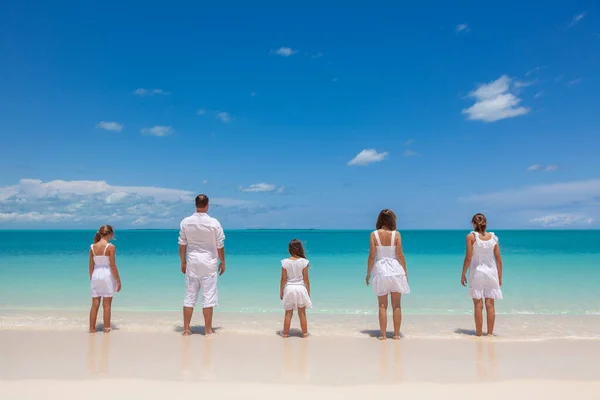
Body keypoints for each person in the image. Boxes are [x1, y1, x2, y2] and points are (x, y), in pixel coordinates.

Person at [178, 194, 226, 336]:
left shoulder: (186, 222)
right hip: (209, 262)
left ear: (195, 204)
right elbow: (220, 245)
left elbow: (182, 244)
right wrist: (222, 262)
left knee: (190, 296)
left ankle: (186, 329)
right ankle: (207, 330)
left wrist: (183, 261)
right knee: (208, 296)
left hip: (192, 261)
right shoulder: (214, 223)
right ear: (207, 205)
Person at [366, 209, 410, 340]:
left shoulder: (374, 235)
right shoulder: (396, 234)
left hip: (381, 270)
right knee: (397, 305)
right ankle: (396, 335)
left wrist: (368, 273)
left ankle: (383, 335)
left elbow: (372, 255)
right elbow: (400, 255)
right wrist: (405, 272)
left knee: (382, 305)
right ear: (392, 220)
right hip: (395, 270)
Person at [461, 213, 503, 337]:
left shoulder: (471, 237)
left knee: (478, 305)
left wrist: (463, 274)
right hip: (492, 272)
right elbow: (498, 259)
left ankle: (479, 334)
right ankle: (489, 334)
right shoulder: (493, 237)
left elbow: (468, 258)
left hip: (477, 272)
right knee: (490, 304)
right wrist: (500, 277)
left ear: (474, 223)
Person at [89, 225, 121, 333]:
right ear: (110, 234)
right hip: (107, 275)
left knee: (95, 303)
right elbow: (113, 265)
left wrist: (92, 279)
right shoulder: (110, 247)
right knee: (107, 304)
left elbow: (91, 266)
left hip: (95, 275)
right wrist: (118, 280)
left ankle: (92, 328)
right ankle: (107, 328)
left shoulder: (92, 247)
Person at [279, 239, 312, 338]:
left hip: (289, 288)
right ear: (300, 249)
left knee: (288, 313)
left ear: (289, 249)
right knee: (302, 313)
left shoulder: (285, 262)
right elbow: (306, 278)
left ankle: (285, 334)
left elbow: (283, 279)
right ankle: (305, 334)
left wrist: (281, 291)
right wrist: (308, 291)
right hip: (301, 288)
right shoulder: (304, 262)